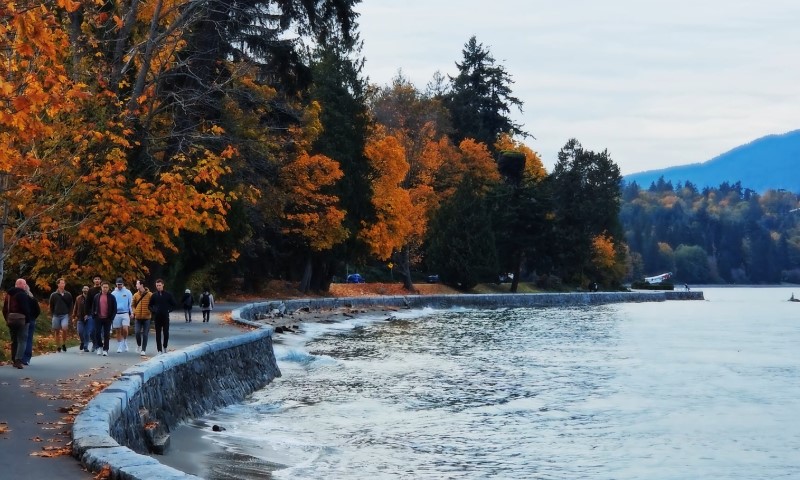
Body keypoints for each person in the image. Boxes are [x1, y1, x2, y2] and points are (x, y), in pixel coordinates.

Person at [3, 278, 31, 369]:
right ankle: (18, 360)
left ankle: (13, 359)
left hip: (11, 319)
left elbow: (4, 309)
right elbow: (25, 308)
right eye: (24, 284)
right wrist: (28, 319)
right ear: (20, 284)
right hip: (21, 320)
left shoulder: (8, 295)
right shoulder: (22, 294)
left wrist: (7, 319)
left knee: (14, 339)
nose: (25, 286)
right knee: (22, 339)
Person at [149, 279, 176, 354]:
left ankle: (165, 346)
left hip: (165, 316)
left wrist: (169, 310)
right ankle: (159, 350)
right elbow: (150, 305)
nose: (158, 287)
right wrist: (154, 310)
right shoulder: (154, 295)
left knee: (166, 333)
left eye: (159, 285)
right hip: (157, 317)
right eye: (157, 286)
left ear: (163, 285)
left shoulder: (168, 295)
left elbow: (174, 304)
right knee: (158, 334)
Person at [91, 281, 117, 356]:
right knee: (97, 333)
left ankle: (106, 349)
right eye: (104, 287)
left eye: (106, 287)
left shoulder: (111, 297)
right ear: (101, 287)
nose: (105, 289)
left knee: (106, 334)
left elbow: (115, 308)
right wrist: (93, 315)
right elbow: (93, 306)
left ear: (108, 288)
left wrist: (112, 317)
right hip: (98, 318)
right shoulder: (97, 296)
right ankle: (99, 346)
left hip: (107, 318)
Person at [49, 278, 74, 352]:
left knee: (64, 329)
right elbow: (51, 305)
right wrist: (52, 314)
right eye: (61, 283)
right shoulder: (54, 295)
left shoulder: (68, 294)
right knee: (56, 331)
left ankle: (64, 343)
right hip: (56, 315)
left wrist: (70, 314)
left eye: (64, 283)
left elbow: (71, 304)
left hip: (65, 315)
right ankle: (58, 346)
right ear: (58, 284)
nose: (63, 285)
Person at [131, 279, 153, 357]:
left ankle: (143, 350)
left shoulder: (150, 294)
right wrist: (134, 312)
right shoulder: (135, 295)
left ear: (141, 285)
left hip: (147, 317)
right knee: (137, 332)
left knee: (145, 334)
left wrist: (150, 310)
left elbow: (153, 304)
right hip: (138, 317)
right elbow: (133, 305)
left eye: (137, 284)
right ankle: (139, 345)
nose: (136, 285)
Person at [111, 277, 133, 353]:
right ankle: (120, 345)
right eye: (118, 284)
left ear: (123, 284)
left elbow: (130, 303)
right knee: (118, 331)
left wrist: (131, 313)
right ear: (116, 284)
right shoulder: (113, 293)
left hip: (125, 313)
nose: (119, 286)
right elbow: (111, 304)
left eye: (120, 284)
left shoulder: (127, 292)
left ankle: (125, 341)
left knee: (125, 329)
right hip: (116, 313)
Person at [21, 282, 40, 365]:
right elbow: (38, 310)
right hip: (31, 320)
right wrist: (33, 317)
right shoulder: (32, 299)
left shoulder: (21, 298)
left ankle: (19, 357)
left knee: (21, 339)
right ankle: (26, 358)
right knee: (29, 339)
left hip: (22, 319)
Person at [85, 275, 102, 352]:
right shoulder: (91, 290)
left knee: (99, 330)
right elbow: (87, 302)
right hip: (92, 313)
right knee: (91, 330)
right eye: (96, 279)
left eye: (98, 279)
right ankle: (94, 343)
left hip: (102, 312)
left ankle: (99, 345)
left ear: (100, 280)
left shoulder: (103, 289)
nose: (97, 280)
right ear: (93, 281)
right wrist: (86, 313)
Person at [73, 286, 91, 352]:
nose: (85, 289)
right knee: (80, 331)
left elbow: (93, 308)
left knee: (87, 333)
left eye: (87, 288)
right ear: (82, 289)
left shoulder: (91, 298)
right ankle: (82, 342)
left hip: (89, 318)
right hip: (80, 317)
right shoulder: (78, 298)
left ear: (89, 290)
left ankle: (86, 346)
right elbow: (75, 307)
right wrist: (73, 316)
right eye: (84, 288)